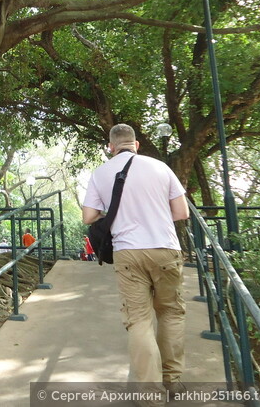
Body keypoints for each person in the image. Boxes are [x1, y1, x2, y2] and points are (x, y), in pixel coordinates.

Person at [82, 123, 190, 398]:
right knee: (170, 312)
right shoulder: (160, 167)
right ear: (136, 144)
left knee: (139, 321)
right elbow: (181, 212)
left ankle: (151, 394)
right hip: (165, 247)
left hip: (127, 252)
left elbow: (88, 217)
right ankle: (172, 381)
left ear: (110, 147)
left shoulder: (101, 173)